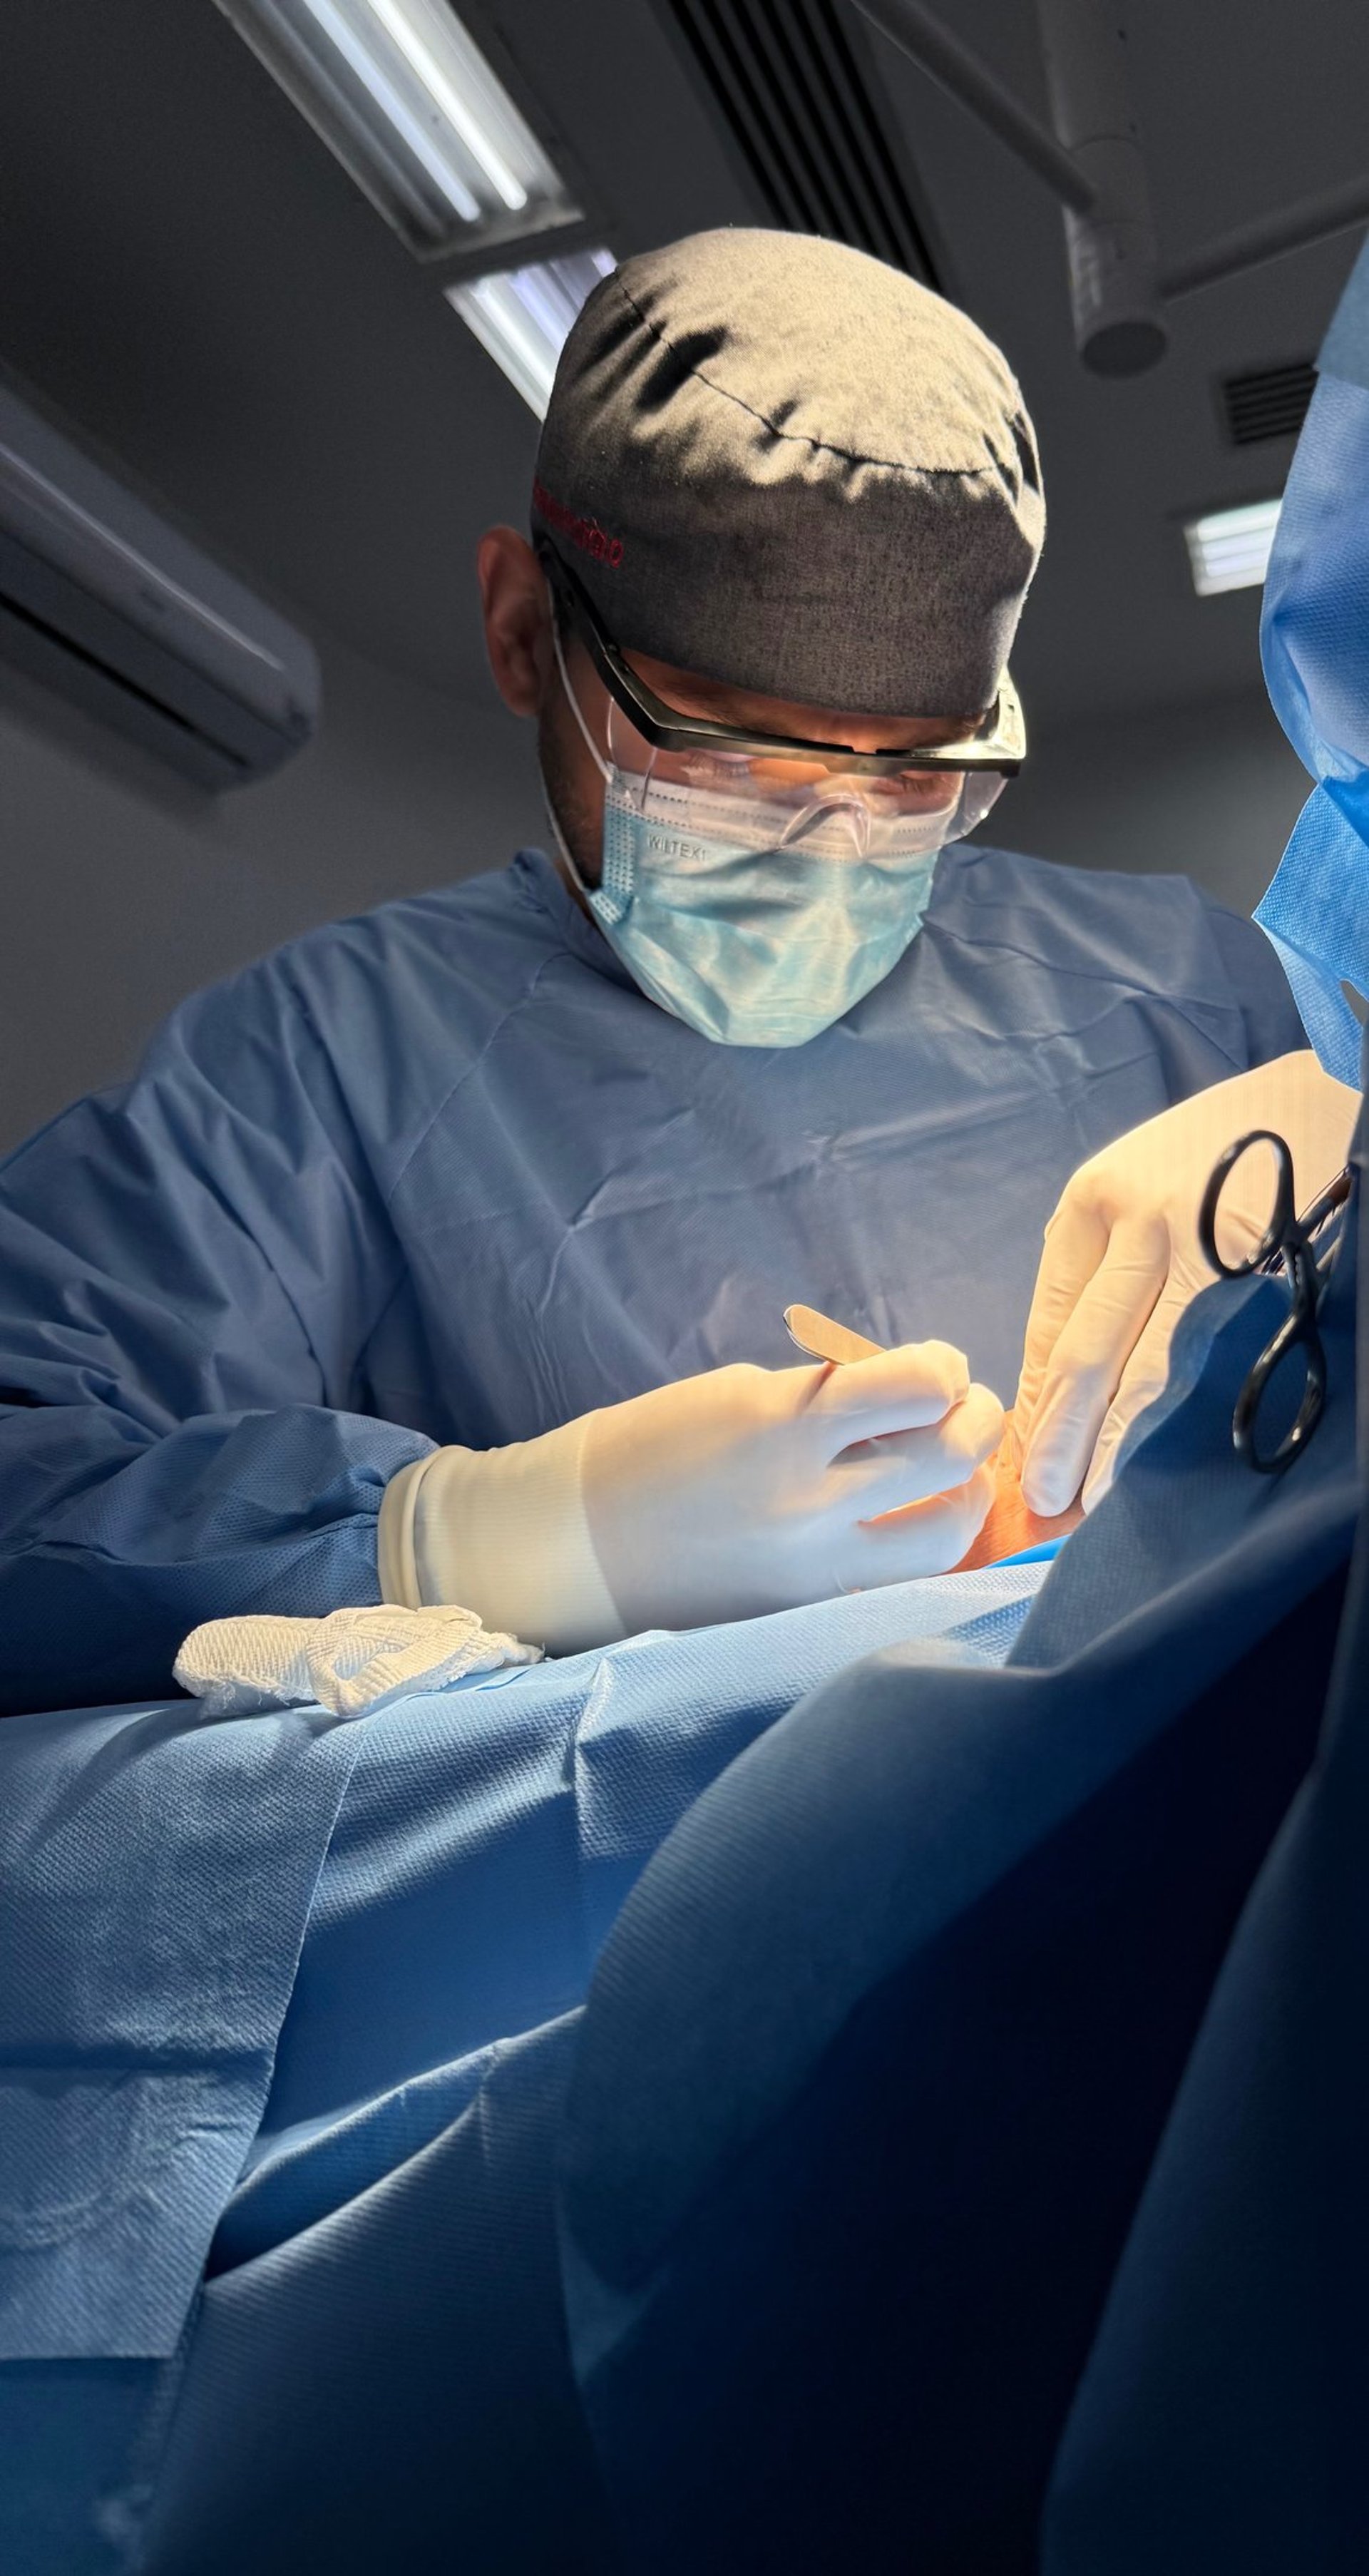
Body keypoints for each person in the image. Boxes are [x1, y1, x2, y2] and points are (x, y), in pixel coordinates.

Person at [0, 228, 1311, 1717]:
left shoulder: (1190, 993)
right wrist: (483, 1535)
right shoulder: (318, 1065)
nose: (835, 843)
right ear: (521, 633)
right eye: (735, 753)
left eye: (915, 771)